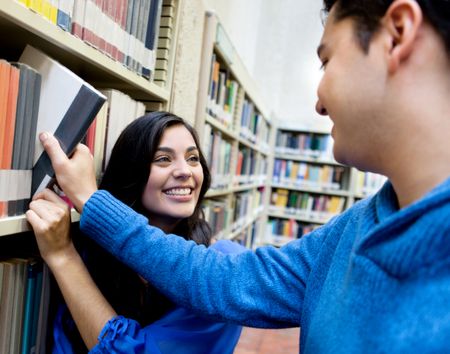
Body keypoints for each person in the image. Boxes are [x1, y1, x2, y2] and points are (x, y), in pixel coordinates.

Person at [28, 0, 450, 352]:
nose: (318, 101)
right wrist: (93, 206)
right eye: (162, 159)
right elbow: (222, 282)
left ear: (397, 33)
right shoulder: (351, 231)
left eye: (326, 60)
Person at [27, 112, 245, 353]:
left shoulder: (223, 266)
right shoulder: (92, 252)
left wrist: (62, 255)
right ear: (130, 172)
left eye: (193, 158)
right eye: (163, 159)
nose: (186, 171)